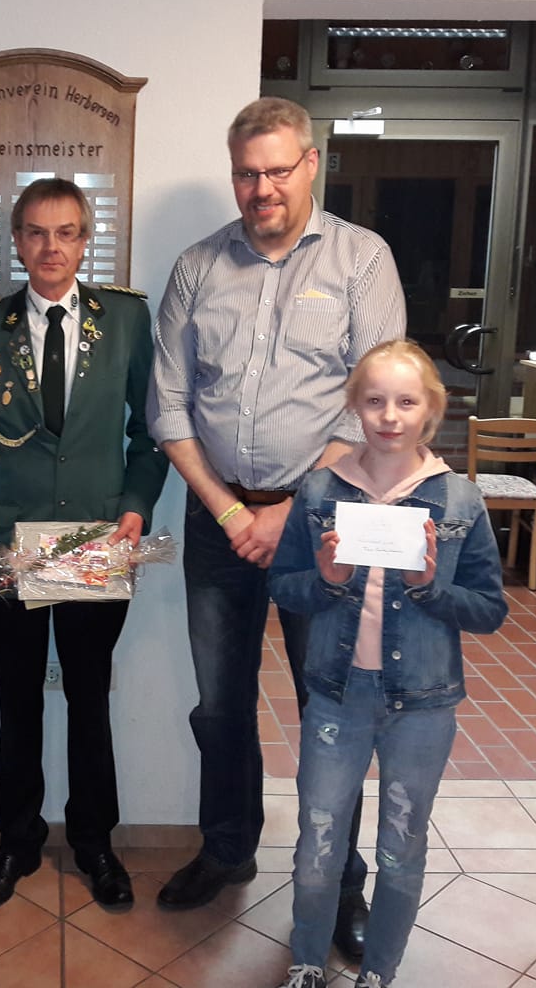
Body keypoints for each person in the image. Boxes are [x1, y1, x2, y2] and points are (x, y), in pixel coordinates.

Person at [147, 96, 406, 959]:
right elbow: (168, 405)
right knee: (220, 706)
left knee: (332, 709)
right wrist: (231, 511)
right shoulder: (197, 267)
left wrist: (289, 512)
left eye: (277, 170)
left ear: (311, 164)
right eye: (246, 173)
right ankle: (226, 850)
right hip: (216, 513)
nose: (261, 189)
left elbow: (376, 404)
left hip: (325, 521)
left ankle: (339, 886)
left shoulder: (363, 261)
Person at [0, 178, 168, 911]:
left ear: (85, 239)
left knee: (89, 697)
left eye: (66, 232)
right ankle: (17, 841)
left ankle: (95, 842)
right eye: (36, 232)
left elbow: (153, 431)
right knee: (17, 702)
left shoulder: (126, 319)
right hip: (8, 539)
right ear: (17, 240)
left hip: (95, 535)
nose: (51, 247)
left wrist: (137, 505)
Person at [267, 340, 507, 988]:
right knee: (319, 841)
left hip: (422, 704)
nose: (390, 416)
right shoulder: (321, 489)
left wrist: (431, 588)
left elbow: (490, 609)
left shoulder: (459, 500)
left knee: (402, 846)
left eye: (406, 401)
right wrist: (326, 580)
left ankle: (379, 971)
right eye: (374, 401)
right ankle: (307, 961)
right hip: (337, 696)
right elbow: (282, 586)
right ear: (355, 406)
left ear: (431, 409)